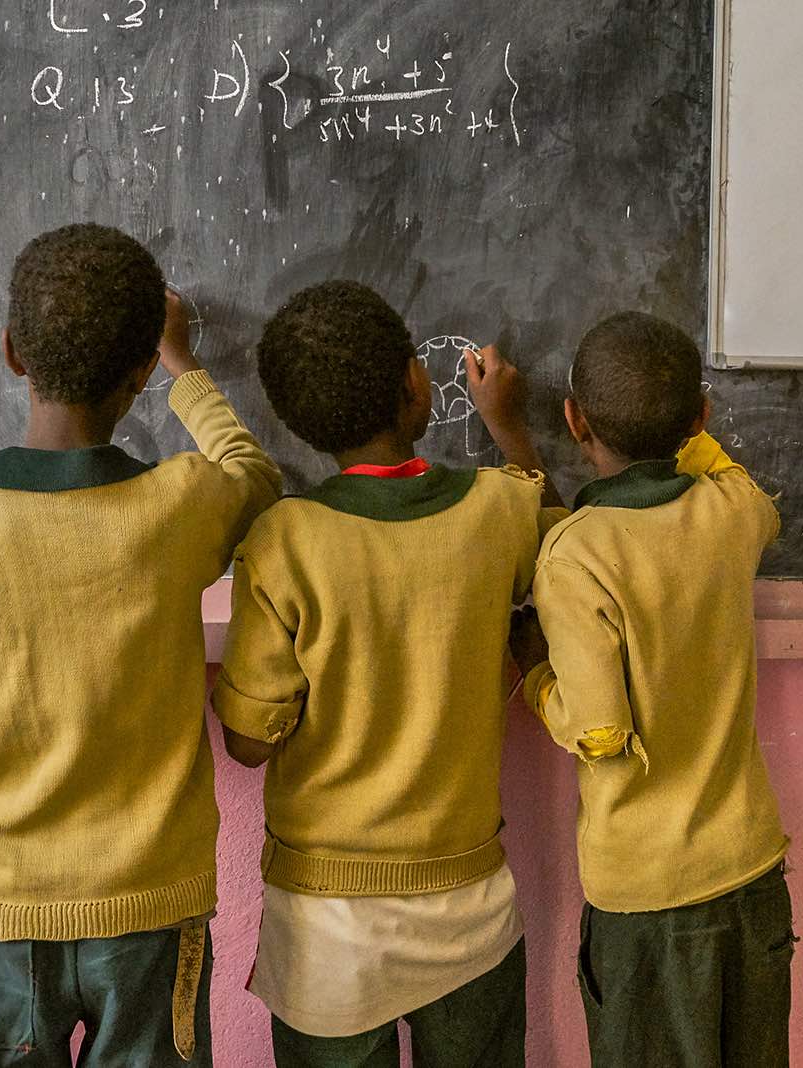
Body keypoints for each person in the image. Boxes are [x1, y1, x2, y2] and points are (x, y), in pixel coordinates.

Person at [0, 223, 280, 1066]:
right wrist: (183, 364)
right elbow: (254, 473)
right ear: (136, 373)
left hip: (0, 909)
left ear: (14, 352)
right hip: (153, 906)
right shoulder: (183, 502)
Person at [212, 279, 559, 1067]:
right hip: (467, 909)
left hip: (326, 927)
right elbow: (566, 545)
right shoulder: (496, 511)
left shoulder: (284, 539)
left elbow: (248, 743)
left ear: (297, 424)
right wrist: (511, 430)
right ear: (417, 382)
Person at [511, 311, 796, 1067]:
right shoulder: (733, 510)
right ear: (700, 417)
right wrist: (689, 430)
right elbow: (733, 477)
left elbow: (601, 732)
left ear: (574, 421)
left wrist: (536, 676)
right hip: (749, 870)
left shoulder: (575, 556)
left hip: (647, 896)